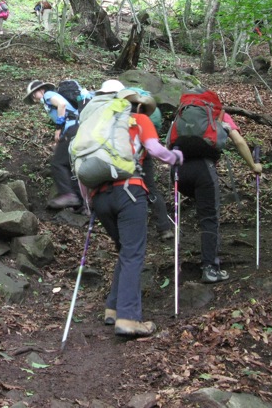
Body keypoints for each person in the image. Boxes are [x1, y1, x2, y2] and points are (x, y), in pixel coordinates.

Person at [87, 80, 183, 337]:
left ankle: (113, 308)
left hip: (100, 197)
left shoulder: (102, 123)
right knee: (132, 254)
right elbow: (155, 150)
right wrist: (176, 157)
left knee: (125, 251)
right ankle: (128, 318)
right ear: (139, 106)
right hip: (129, 192)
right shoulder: (139, 120)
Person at [171, 92, 263, 283]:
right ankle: (210, 269)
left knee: (202, 209)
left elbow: (169, 143)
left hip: (178, 171)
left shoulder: (182, 116)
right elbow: (238, 141)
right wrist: (253, 166)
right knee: (209, 218)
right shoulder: (218, 114)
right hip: (203, 170)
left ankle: (181, 265)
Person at [124, 86, 174, 241]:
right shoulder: (147, 113)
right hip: (143, 151)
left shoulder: (117, 114)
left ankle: (134, 231)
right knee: (150, 188)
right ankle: (164, 227)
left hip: (123, 158)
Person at [23, 79, 82, 209]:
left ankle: (68, 195)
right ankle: (80, 202)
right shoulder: (49, 98)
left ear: (41, 90)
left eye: (33, 95)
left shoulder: (48, 95)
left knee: (57, 163)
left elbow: (62, 105)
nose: (34, 99)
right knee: (69, 165)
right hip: (78, 128)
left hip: (72, 129)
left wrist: (58, 128)